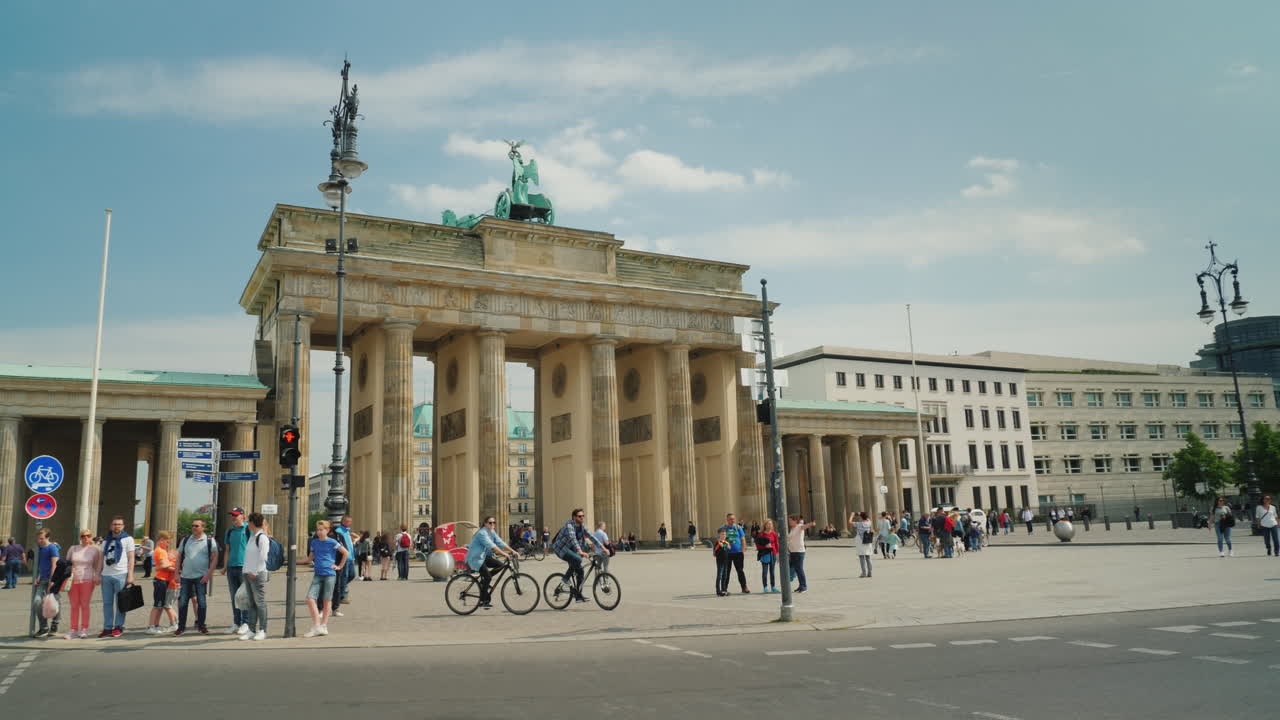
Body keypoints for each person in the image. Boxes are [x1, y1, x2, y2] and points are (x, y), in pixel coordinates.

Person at [304, 520, 348, 637]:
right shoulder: (314, 542)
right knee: (310, 598)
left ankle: (323, 626)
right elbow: (309, 559)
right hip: (318, 574)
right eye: (317, 530)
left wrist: (339, 566)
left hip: (329, 573)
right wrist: (293, 562)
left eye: (321, 530)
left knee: (327, 600)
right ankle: (317, 626)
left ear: (327, 530)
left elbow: (345, 553)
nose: (319, 532)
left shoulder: (332, 542)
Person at [174, 517, 217, 636]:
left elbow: (214, 558)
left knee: (201, 602)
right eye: (193, 525)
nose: (193, 527)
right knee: (182, 602)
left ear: (203, 527)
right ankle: (181, 627)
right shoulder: (186, 539)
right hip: (185, 576)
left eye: (196, 526)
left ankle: (201, 626)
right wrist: (176, 573)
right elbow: (178, 557)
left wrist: (209, 574)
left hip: (201, 577)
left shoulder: (209, 540)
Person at [465, 515, 515, 609]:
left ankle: (484, 581)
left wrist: (513, 551)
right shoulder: (482, 533)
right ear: (485, 524)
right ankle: (483, 600)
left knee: (501, 565)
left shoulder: (492, 531)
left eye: (494, 522)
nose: (492, 524)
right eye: (490, 523)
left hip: (484, 556)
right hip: (476, 558)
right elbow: (492, 545)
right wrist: (505, 554)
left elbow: (500, 542)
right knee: (488, 577)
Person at [99, 515, 136, 638]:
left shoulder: (128, 539)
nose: (117, 526)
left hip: (121, 574)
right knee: (107, 603)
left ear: (123, 526)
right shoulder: (105, 541)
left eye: (119, 524)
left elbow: (131, 558)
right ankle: (107, 628)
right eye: (115, 524)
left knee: (121, 603)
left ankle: (119, 626)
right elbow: (101, 559)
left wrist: (130, 575)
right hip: (106, 575)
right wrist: (97, 574)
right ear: (111, 526)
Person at [237, 512, 270, 640]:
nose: (247, 524)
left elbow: (263, 557)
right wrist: (246, 571)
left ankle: (262, 630)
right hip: (248, 573)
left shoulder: (262, 537)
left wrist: (254, 572)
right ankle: (251, 629)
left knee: (260, 602)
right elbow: (249, 556)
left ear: (252, 523)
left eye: (248, 521)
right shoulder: (252, 536)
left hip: (257, 574)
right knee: (251, 603)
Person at [551, 508, 595, 602]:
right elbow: (573, 539)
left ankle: (578, 596)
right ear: (574, 517)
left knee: (580, 571)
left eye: (583, 516)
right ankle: (565, 579)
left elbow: (591, 536)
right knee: (578, 559)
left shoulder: (582, 526)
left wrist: (603, 547)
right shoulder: (569, 525)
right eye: (579, 516)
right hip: (561, 549)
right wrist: (580, 551)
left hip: (572, 550)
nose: (582, 518)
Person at [64, 528, 101, 639]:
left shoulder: (95, 550)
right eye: (83, 536)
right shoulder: (73, 548)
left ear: (91, 537)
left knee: (85, 604)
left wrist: (97, 575)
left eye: (88, 536)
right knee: (74, 605)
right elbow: (67, 563)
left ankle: (84, 628)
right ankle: (73, 629)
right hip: (73, 579)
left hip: (88, 579)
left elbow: (98, 565)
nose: (86, 538)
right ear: (80, 538)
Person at [221, 507, 250, 634]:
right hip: (232, 567)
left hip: (244, 567)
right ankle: (236, 622)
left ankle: (246, 623)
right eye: (232, 515)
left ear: (243, 516)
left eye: (236, 515)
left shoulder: (248, 529)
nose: (233, 517)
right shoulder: (229, 531)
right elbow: (227, 550)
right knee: (234, 597)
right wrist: (224, 566)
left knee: (243, 596)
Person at [31, 528, 61, 638]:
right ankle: (43, 627)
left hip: (52, 580)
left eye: (42, 538)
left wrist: (52, 581)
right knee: (37, 602)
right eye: (38, 539)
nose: (40, 540)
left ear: (48, 537)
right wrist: (38, 577)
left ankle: (55, 624)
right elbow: (41, 565)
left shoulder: (52, 548)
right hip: (42, 579)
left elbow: (55, 564)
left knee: (54, 602)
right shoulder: (40, 548)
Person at [146, 531, 178, 634]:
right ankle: (151, 626)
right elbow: (164, 566)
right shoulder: (160, 551)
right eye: (167, 542)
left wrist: (167, 564)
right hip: (161, 579)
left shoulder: (162, 550)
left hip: (163, 580)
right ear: (161, 540)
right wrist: (174, 566)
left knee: (161, 605)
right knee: (158, 605)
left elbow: (163, 566)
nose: (168, 544)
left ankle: (155, 625)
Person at [717, 513, 750, 594]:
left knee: (740, 570)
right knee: (726, 571)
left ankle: (744, 587)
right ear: (727, 520)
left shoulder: (738, 528)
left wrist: (743, 549)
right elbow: (719, 540)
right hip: (726, 553)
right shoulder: (723, 528)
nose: (732, 520)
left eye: (733, 519)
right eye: (730, 519)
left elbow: (742, 539)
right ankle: (724, 588)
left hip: (738, 553)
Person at [331, 515, 357, 615]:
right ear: (343, 521)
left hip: (351, 558)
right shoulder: (339, 531)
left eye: (350, 521)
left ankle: (339, 592)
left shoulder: (347, 531)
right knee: (344, 576)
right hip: (344, 558)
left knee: (351, 575)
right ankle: (340, 596)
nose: (349, 523)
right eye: (347, 521)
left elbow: (350, 545)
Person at [787, 515, 814, 592]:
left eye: (790, 520)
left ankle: (804, 586)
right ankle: (800, 585)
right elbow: (789, 538)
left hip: (799, 552)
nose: (789, 522)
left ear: (795, 521)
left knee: (799, 569)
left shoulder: (799, 526)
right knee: (796, 569)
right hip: (792, 551)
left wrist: (811, 524)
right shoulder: (792, 529)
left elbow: (805, 526)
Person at [755, 519, 780, 593]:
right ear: (765, 525)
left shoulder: (774, 534)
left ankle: (773, 587)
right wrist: (765, 546)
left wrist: (777, 554)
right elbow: (758, 545)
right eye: (768, 524)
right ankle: (765, 587)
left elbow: (776, 544)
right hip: (765, 554)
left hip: (773, 554)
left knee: (772, 572)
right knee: (765, 571)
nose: (769, 525)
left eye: (771, 524)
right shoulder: (761, 534)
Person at [851, 512, 874, 578]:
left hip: (860, 541)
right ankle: (870, 573)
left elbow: (849, 522)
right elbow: (868, 518)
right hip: (867, 540)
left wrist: (852, 515)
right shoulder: (869, 522)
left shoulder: (859, 524)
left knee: (861, 557)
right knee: (868, 557)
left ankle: (864, 573)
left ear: (861, 517)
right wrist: (861, 514)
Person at [712, 529, 731, 596]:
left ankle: (724, 590)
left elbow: (729, 547)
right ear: (719, 535)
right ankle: (718, 590)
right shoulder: (717, 542)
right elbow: (715, 553)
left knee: (725, 575)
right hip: (720, 561)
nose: (724, 536)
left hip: (726, 561)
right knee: (719, 575)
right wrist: (722, 547)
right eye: (722, 534)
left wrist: (725, 546)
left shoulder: (726, 542)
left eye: (725, 534)